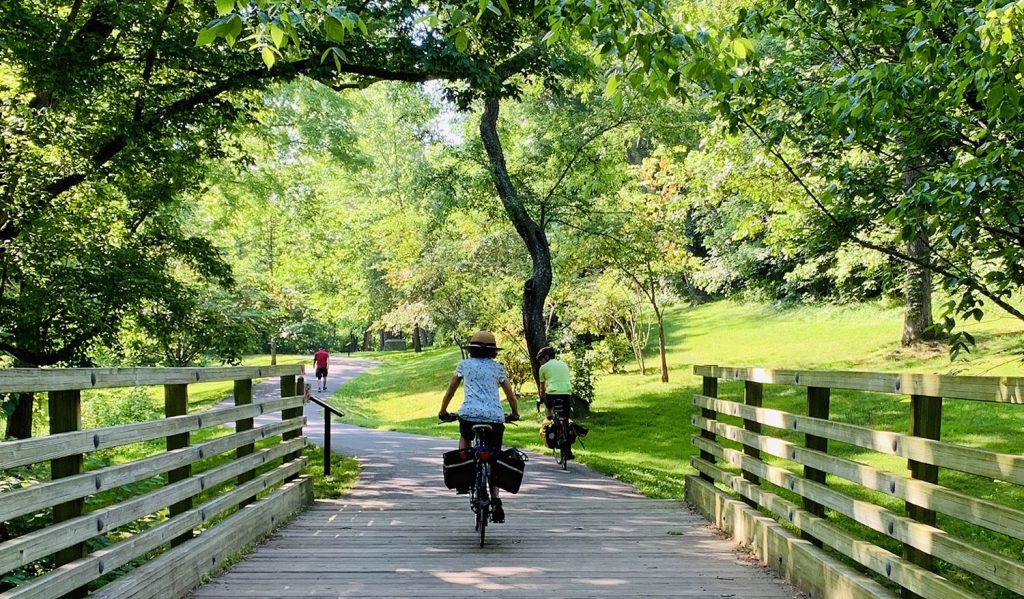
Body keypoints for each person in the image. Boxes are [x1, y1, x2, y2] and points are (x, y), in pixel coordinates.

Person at [438, 330, 519, 523]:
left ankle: (464, 478)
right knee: (494, 455)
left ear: (471, 349)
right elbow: (510, 395)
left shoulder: (464, 365)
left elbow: (451, 389)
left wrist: (443, 410)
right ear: (493, 351)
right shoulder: (497, 368)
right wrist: (514, 413)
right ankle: (496, 499)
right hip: (494, 418)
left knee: (465, 438)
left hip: (469, 415)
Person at [537, 345, 574, 457]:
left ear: (546, 357)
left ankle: (551, 423)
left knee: (548, 408)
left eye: (541, 359)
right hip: (566, 392)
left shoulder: (543, 368)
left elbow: (542, 387)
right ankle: (568, 449)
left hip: (552, 392)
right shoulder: (564, 364)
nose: (540, 362)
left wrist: (541, 398)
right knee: (566, 418)